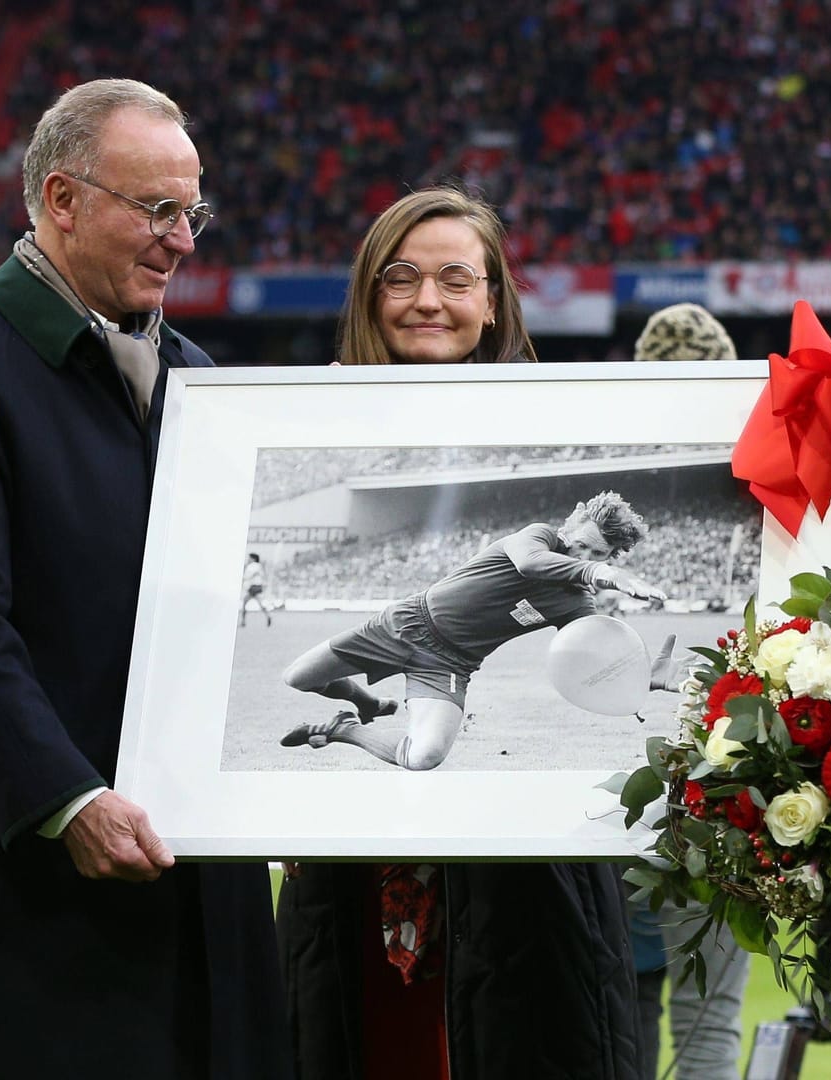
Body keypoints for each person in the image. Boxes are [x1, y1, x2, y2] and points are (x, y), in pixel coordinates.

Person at [0, 78, 289, 1079]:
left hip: (199, 901)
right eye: (156, 210)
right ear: (61, 199)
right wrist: (65, 797)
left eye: (193, 212)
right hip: (31, 913)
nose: (183, 238)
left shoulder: (205, 381)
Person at [272, 187, 641, 1080]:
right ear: (367, 295)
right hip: (351, 866)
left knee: (521, 1030)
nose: (426, 299)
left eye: (453, 278)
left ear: (491, 300)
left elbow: (601, 655)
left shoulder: (556, 424)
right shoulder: (290, 418)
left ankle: (361, 723)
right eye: (400, 277)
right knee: (355, 1037)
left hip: (523, 878)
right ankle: (357, 708)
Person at [275, 490, 668, 771]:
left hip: (449, 662)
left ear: (612, 555)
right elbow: (531, 564)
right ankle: (368, 703)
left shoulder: (577, 602)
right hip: (408, 622)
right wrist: (601, 572)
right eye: (582, 544)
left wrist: (639, 679)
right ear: (570, 526)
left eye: (598, 554)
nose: (584, 556)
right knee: (298, 677)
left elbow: (596, 653)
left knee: (423, 756)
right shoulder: (538, 536)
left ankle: (345, 728)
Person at [624, 300, 751, 1080]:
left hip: (621, 809)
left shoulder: (607, 521)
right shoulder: (772, 488)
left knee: (624, 1004)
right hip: (724, 808)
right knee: (708, 1023)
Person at [241, 552, 272, 627]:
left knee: (245, 604)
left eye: (249, 558)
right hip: (257, 587)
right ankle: (268, 616)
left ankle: (243, 621)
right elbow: (262, 575)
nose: (248, 559)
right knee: (260, 604)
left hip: (253, 587)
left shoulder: (252, 566)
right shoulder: (259, 566)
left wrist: (244, 579)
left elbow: (248, 576)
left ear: (253, 558)